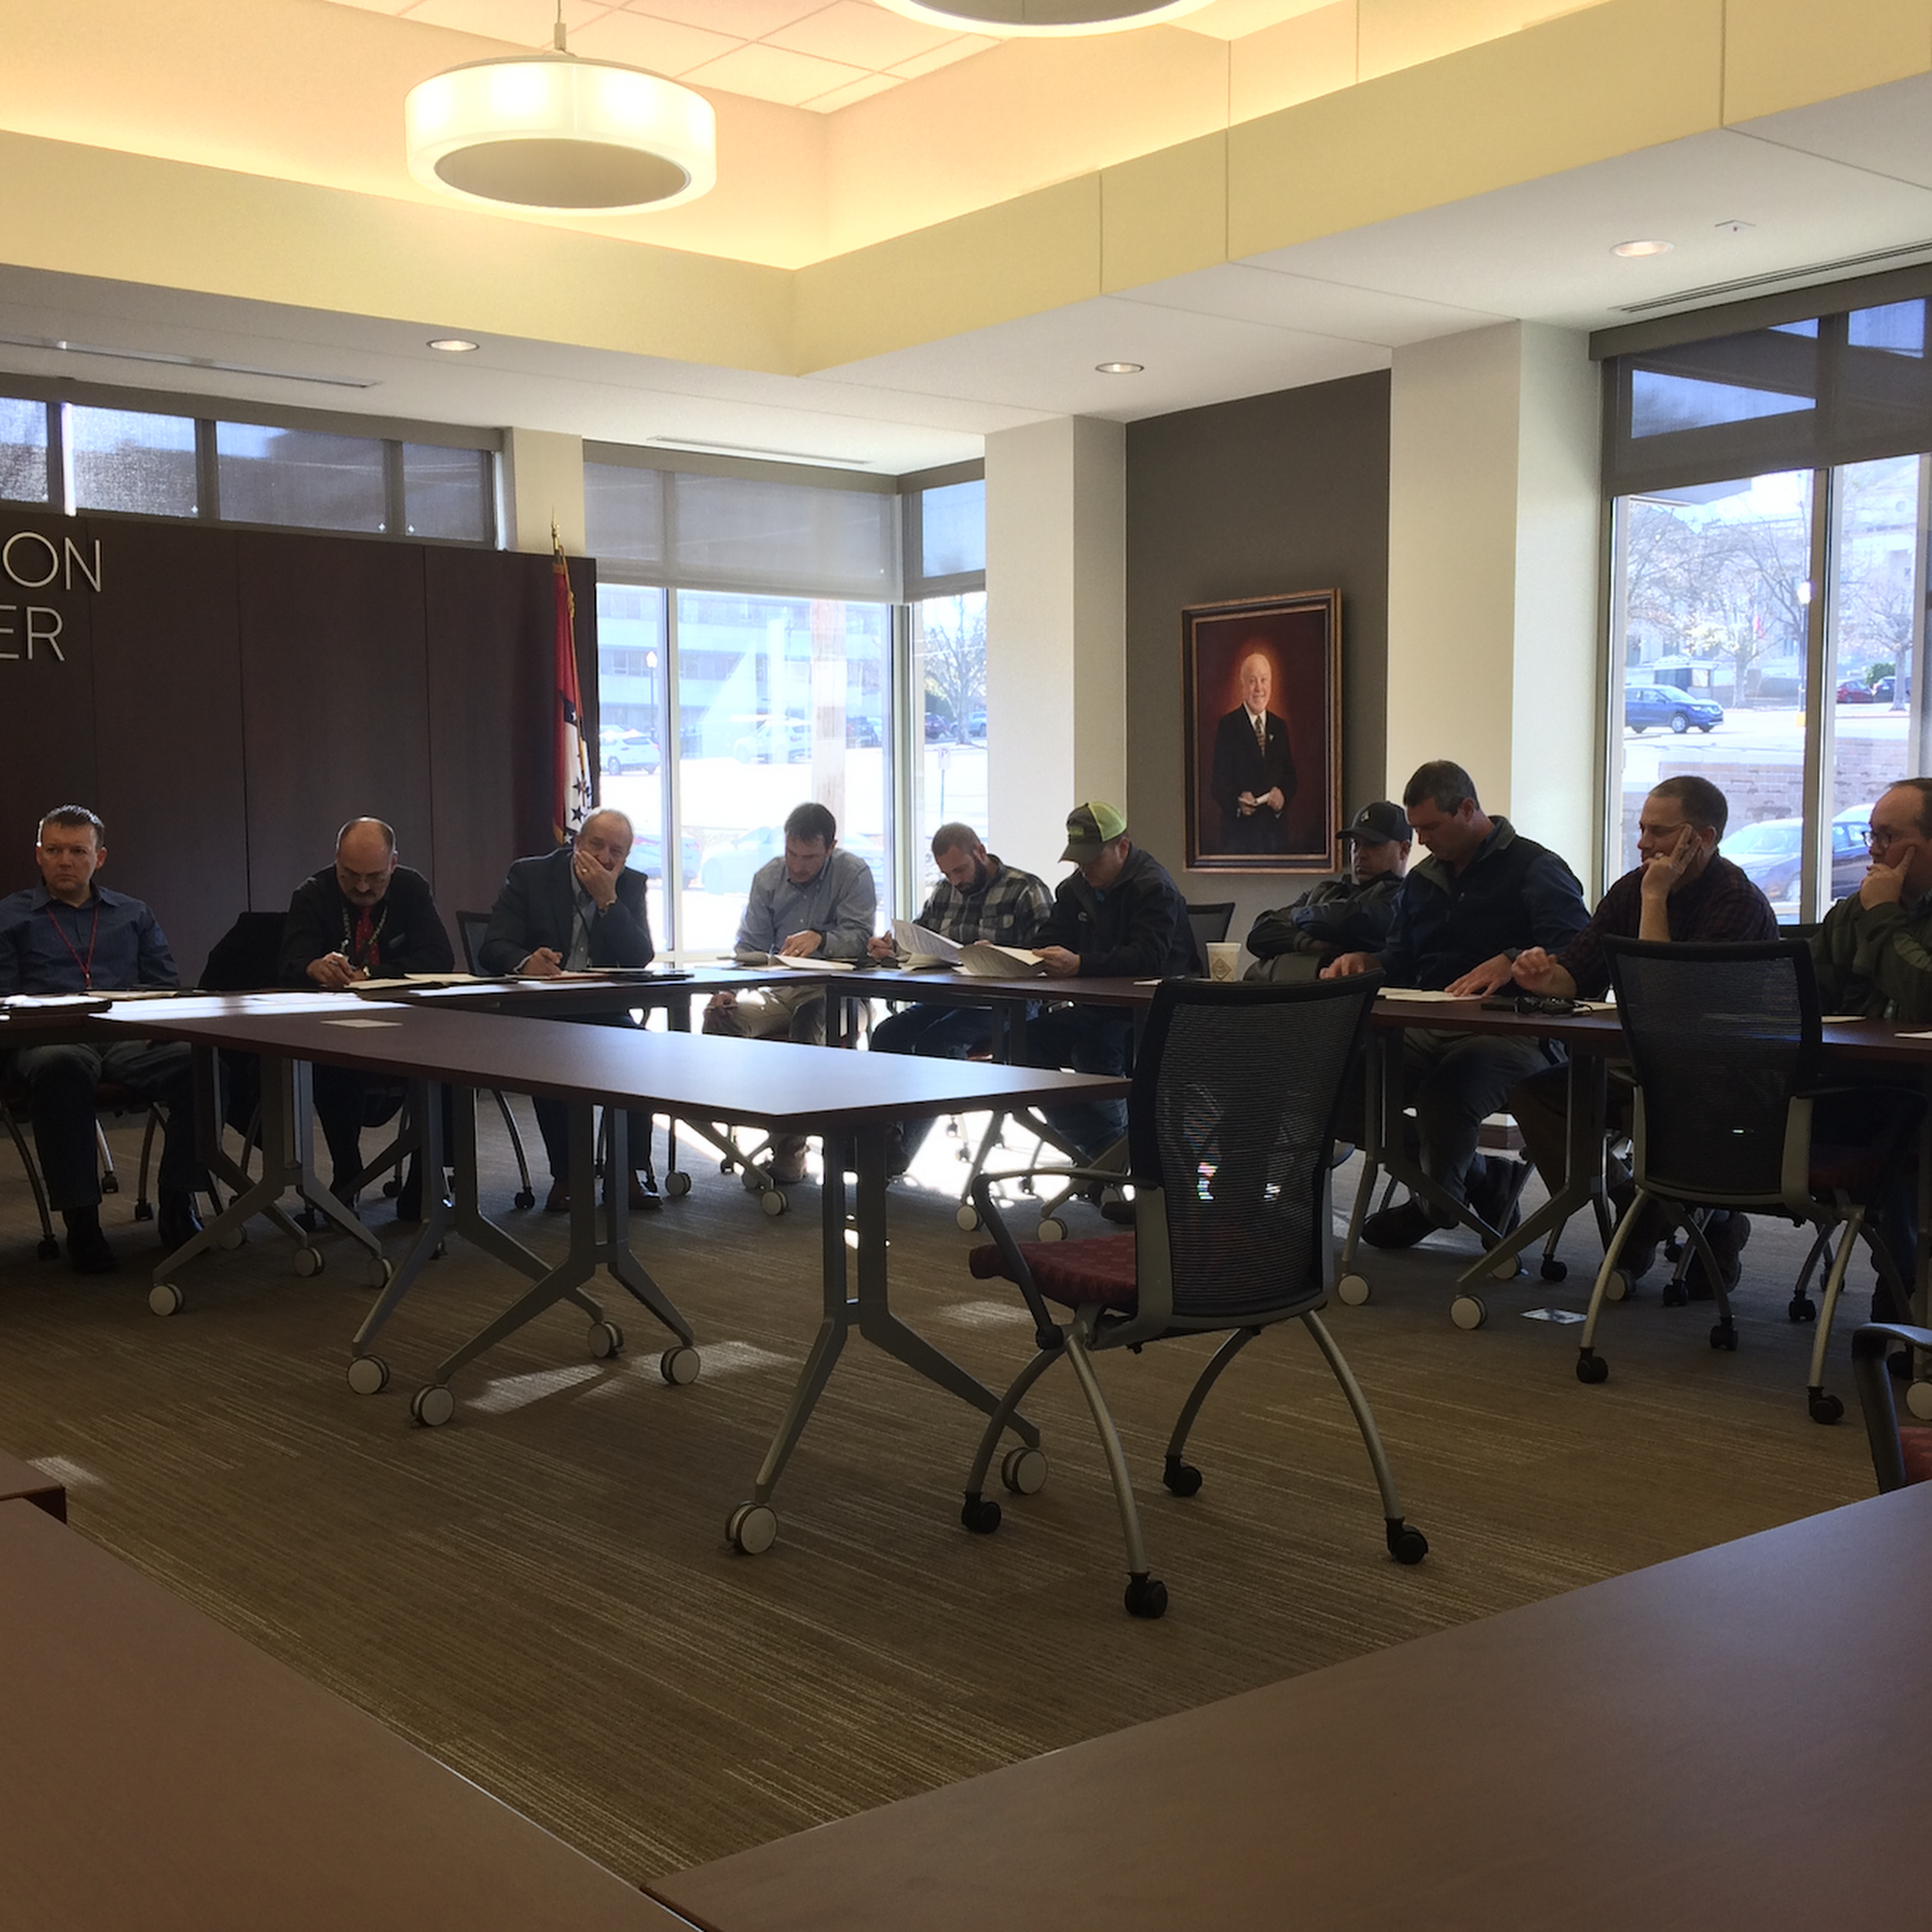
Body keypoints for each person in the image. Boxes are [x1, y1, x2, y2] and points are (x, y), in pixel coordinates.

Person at [1507, 775, 1777, 1291]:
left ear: (1703, 837)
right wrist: (1543, 975)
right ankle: (1637, 1199)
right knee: (1536, 1096)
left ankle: (1682, 1216)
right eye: (1641, 828)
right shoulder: (1631, 888)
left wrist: (1655, 897)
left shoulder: (1737, 900)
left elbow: (1664, 1001)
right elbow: (1576, 975)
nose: (1643, 843)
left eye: (1659, 831)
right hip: (1642, 1067)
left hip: (1720, 1078)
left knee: (1655, 1107)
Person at [1324, 760, 1590, 1246]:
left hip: (1513, 1030)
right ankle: (1472, 1179)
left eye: (1431, 827)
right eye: (1416, 829)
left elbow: (1578, 950)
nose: (1422, 841)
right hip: (1428, 1026)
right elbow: (1402, 958)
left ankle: (1437, 1204)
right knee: (1335, 1086)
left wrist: (1513, 960)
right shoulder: (1424, 880)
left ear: (1467, 809)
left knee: (1446, 1095)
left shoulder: (1535, 867)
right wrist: (1367, 961)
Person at [0, 806, 205, 1273]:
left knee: (200, 1063)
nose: (65, 861)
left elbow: (163, 986)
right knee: (61, 1066)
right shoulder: (9, 917)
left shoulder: (132, 913)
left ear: (100, 857)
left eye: (77, 851)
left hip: (126, 1039)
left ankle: (179, 1199)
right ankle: (82, 1219)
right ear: (38, 855)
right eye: (54, 850)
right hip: (48, 1041)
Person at [478, 808, 659, 1214]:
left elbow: (639, 957)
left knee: (642, 1050)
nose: (605, 858)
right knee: (553, 1051)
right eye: (596, 845)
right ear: (577, 843)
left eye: (616, 852)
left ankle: (626, 1173)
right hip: (541, 1009)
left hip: (601, 1010)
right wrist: (526, 961)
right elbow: (492, 947)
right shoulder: (530, 875)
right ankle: (568, 1176)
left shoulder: (629, 884)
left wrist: (608, 900)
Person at [278, 818, 454, 1217]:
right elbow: (289, 962)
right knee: (333, 1064)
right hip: (335, 1030)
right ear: (336, 860)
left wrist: (373, 974)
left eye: (374, 877)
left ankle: (425, 1179)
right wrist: (312, 967)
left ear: (393, 863)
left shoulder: (411, 889)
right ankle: (347, 1172)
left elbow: (438, 957)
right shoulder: (312, 894)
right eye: (350, 875)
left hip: (410, 1026)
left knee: (451, 1061)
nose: (361, 887)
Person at [864, 821, 1053, 1174]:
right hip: (951, 995)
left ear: (980, 852)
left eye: (960, 870)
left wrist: (999, 953)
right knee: (888, 1032)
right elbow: (919, 939)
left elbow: (1050, 954)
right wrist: (892, 947)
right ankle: (883, 1137)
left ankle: (896, 1152)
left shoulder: (1025, 889)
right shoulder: (944, 892)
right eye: (946, 873)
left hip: (1009, 1002)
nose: (955, 880)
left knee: (937, 1041)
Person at [705, 801, 876, 1188]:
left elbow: (861, 939)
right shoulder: (768, 877)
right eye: (791, 853)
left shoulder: (853, 873)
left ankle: (790, 1151)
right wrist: (726, 990)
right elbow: (749, 947)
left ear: (831, 848)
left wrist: (821, 938)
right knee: (720, 1018)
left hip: (842, 996)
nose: (797, 866)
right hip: (781, 990)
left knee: (809, 1019)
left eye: (809, 857)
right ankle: (739, 1124)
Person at [1807, 777, 1932, 1312]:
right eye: (1871, 835)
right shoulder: (1855, 910)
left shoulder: (1875, 908)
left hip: (1920, 1089)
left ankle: (1905, 1282)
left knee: (1908, 1125)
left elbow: (1924, 995)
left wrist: (1883, 916)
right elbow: (1805, 991)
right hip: (1857, 1081)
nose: (1875, 851)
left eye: (1889, 837)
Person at [1024, 802, 1196, 1165]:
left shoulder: (1154, 887)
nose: (1084, 869)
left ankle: (1114, 1159)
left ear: (1122, 847)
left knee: (1094, 1051)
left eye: (1092, 859)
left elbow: (1148, 957)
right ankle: (1107, 1151)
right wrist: (1012, 954)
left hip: (1155, 1014)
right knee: (1021, 1045)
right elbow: (1048, 938)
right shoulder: (1074, 890)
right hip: (1100, 1007)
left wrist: (1080, 964)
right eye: (1078, 860)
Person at [1244, 800, 1410, 983]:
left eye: (1373, 845)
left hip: (1341, 996)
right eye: (1356, 844)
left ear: (1404, 849)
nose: (1360, 854)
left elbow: (1342, 919)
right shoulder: (1329, 890)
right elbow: (1259, 933)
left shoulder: (1404, 897)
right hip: (1282, 991)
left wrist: (1295, 917)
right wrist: (1310, 943)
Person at [1209, 649, 1297, 854]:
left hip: (1276, 840)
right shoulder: (1228, 726)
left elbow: (1290, 777)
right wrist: (1237, 802)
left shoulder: (1279, 726)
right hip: (1239, 840)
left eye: (1264, 680)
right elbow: (1218, 783)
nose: (1259, 688)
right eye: (1252, 681)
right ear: (1242, 686)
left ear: (1271, 684)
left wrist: (1282, 796)